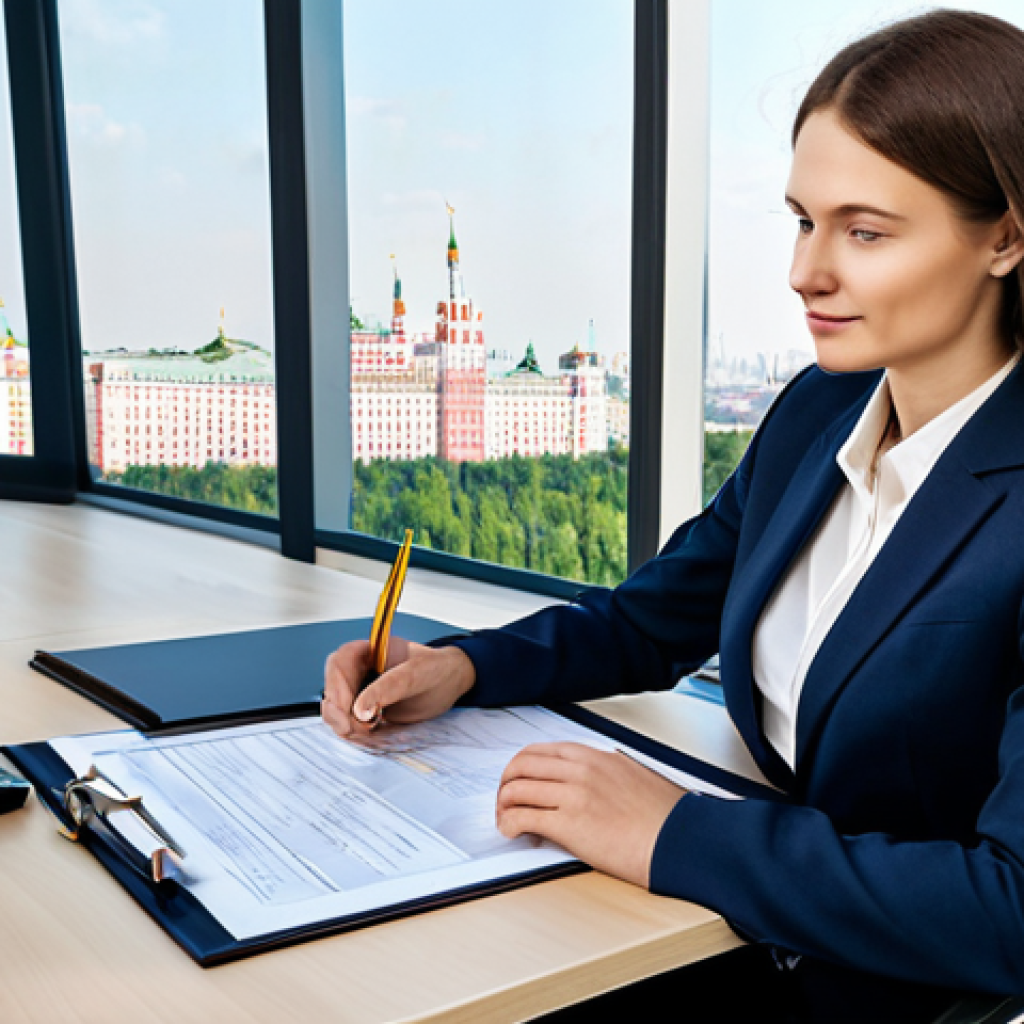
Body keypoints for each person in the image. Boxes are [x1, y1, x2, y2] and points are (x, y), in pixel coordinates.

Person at [322, 10, 1024, 1021]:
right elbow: (649, 621)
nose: (804, 272)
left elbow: (1008, 909)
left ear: (1004, 233)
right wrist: (465, 665)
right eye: (801, 219)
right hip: (732, 922)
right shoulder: (816, 411)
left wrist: (675, 832)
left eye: (863, 231)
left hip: (875, 982)